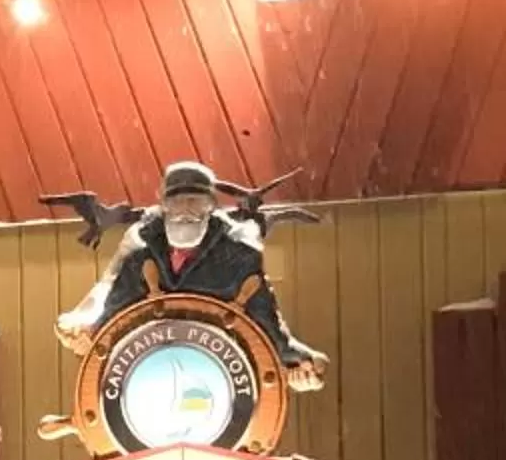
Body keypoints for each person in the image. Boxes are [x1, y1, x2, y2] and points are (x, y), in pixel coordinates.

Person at [67, 160, 326, 387]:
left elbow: (267, 325)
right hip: (149, 373)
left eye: (195, 201)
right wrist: (86, 331)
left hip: (219, 375)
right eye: (177, 201)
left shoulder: (238, 255)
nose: (185, 210)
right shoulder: (140, 248)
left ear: (212, 205)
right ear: (164, 205)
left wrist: (303, 363)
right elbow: (111, 302)